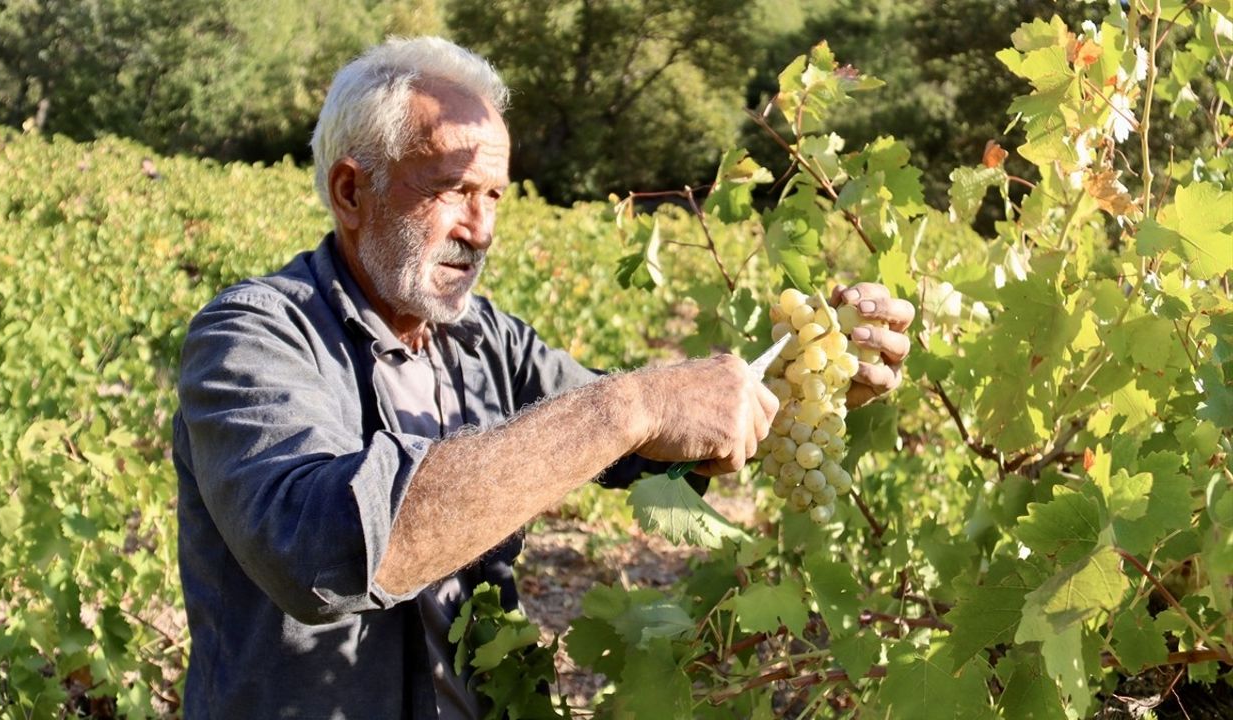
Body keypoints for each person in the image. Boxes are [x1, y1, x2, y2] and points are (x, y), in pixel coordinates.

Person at [172, 37, 914, 719]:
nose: (481, 226)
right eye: (454, 188)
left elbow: (653, 445)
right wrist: (630, 403)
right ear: (349, 191)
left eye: (494, 195)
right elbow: (321, 555)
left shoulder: (487, 340)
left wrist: (802, 377)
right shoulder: (253, 337)